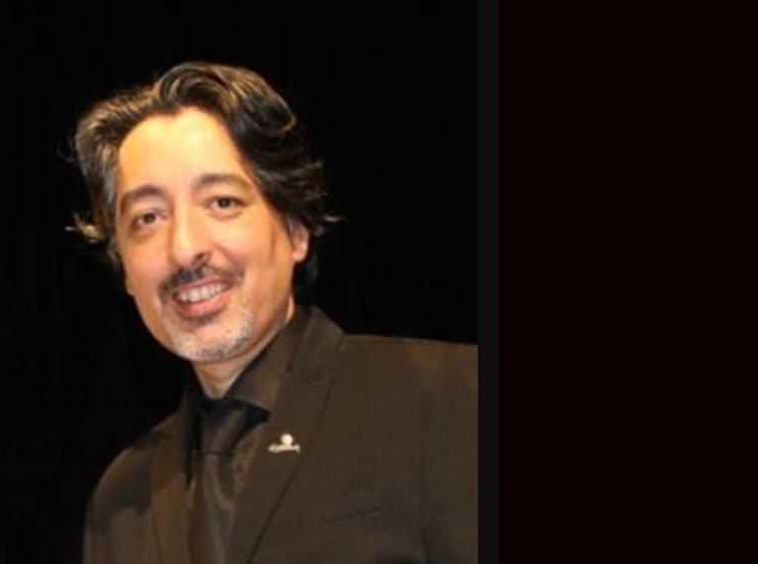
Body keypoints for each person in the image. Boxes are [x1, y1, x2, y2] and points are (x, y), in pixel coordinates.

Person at [72, 62, 477, 564]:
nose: (183, 247)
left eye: (222, 202)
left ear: (295, 229)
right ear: (126, 271)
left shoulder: (452, 399)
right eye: (147, 218)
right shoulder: (121, 499)